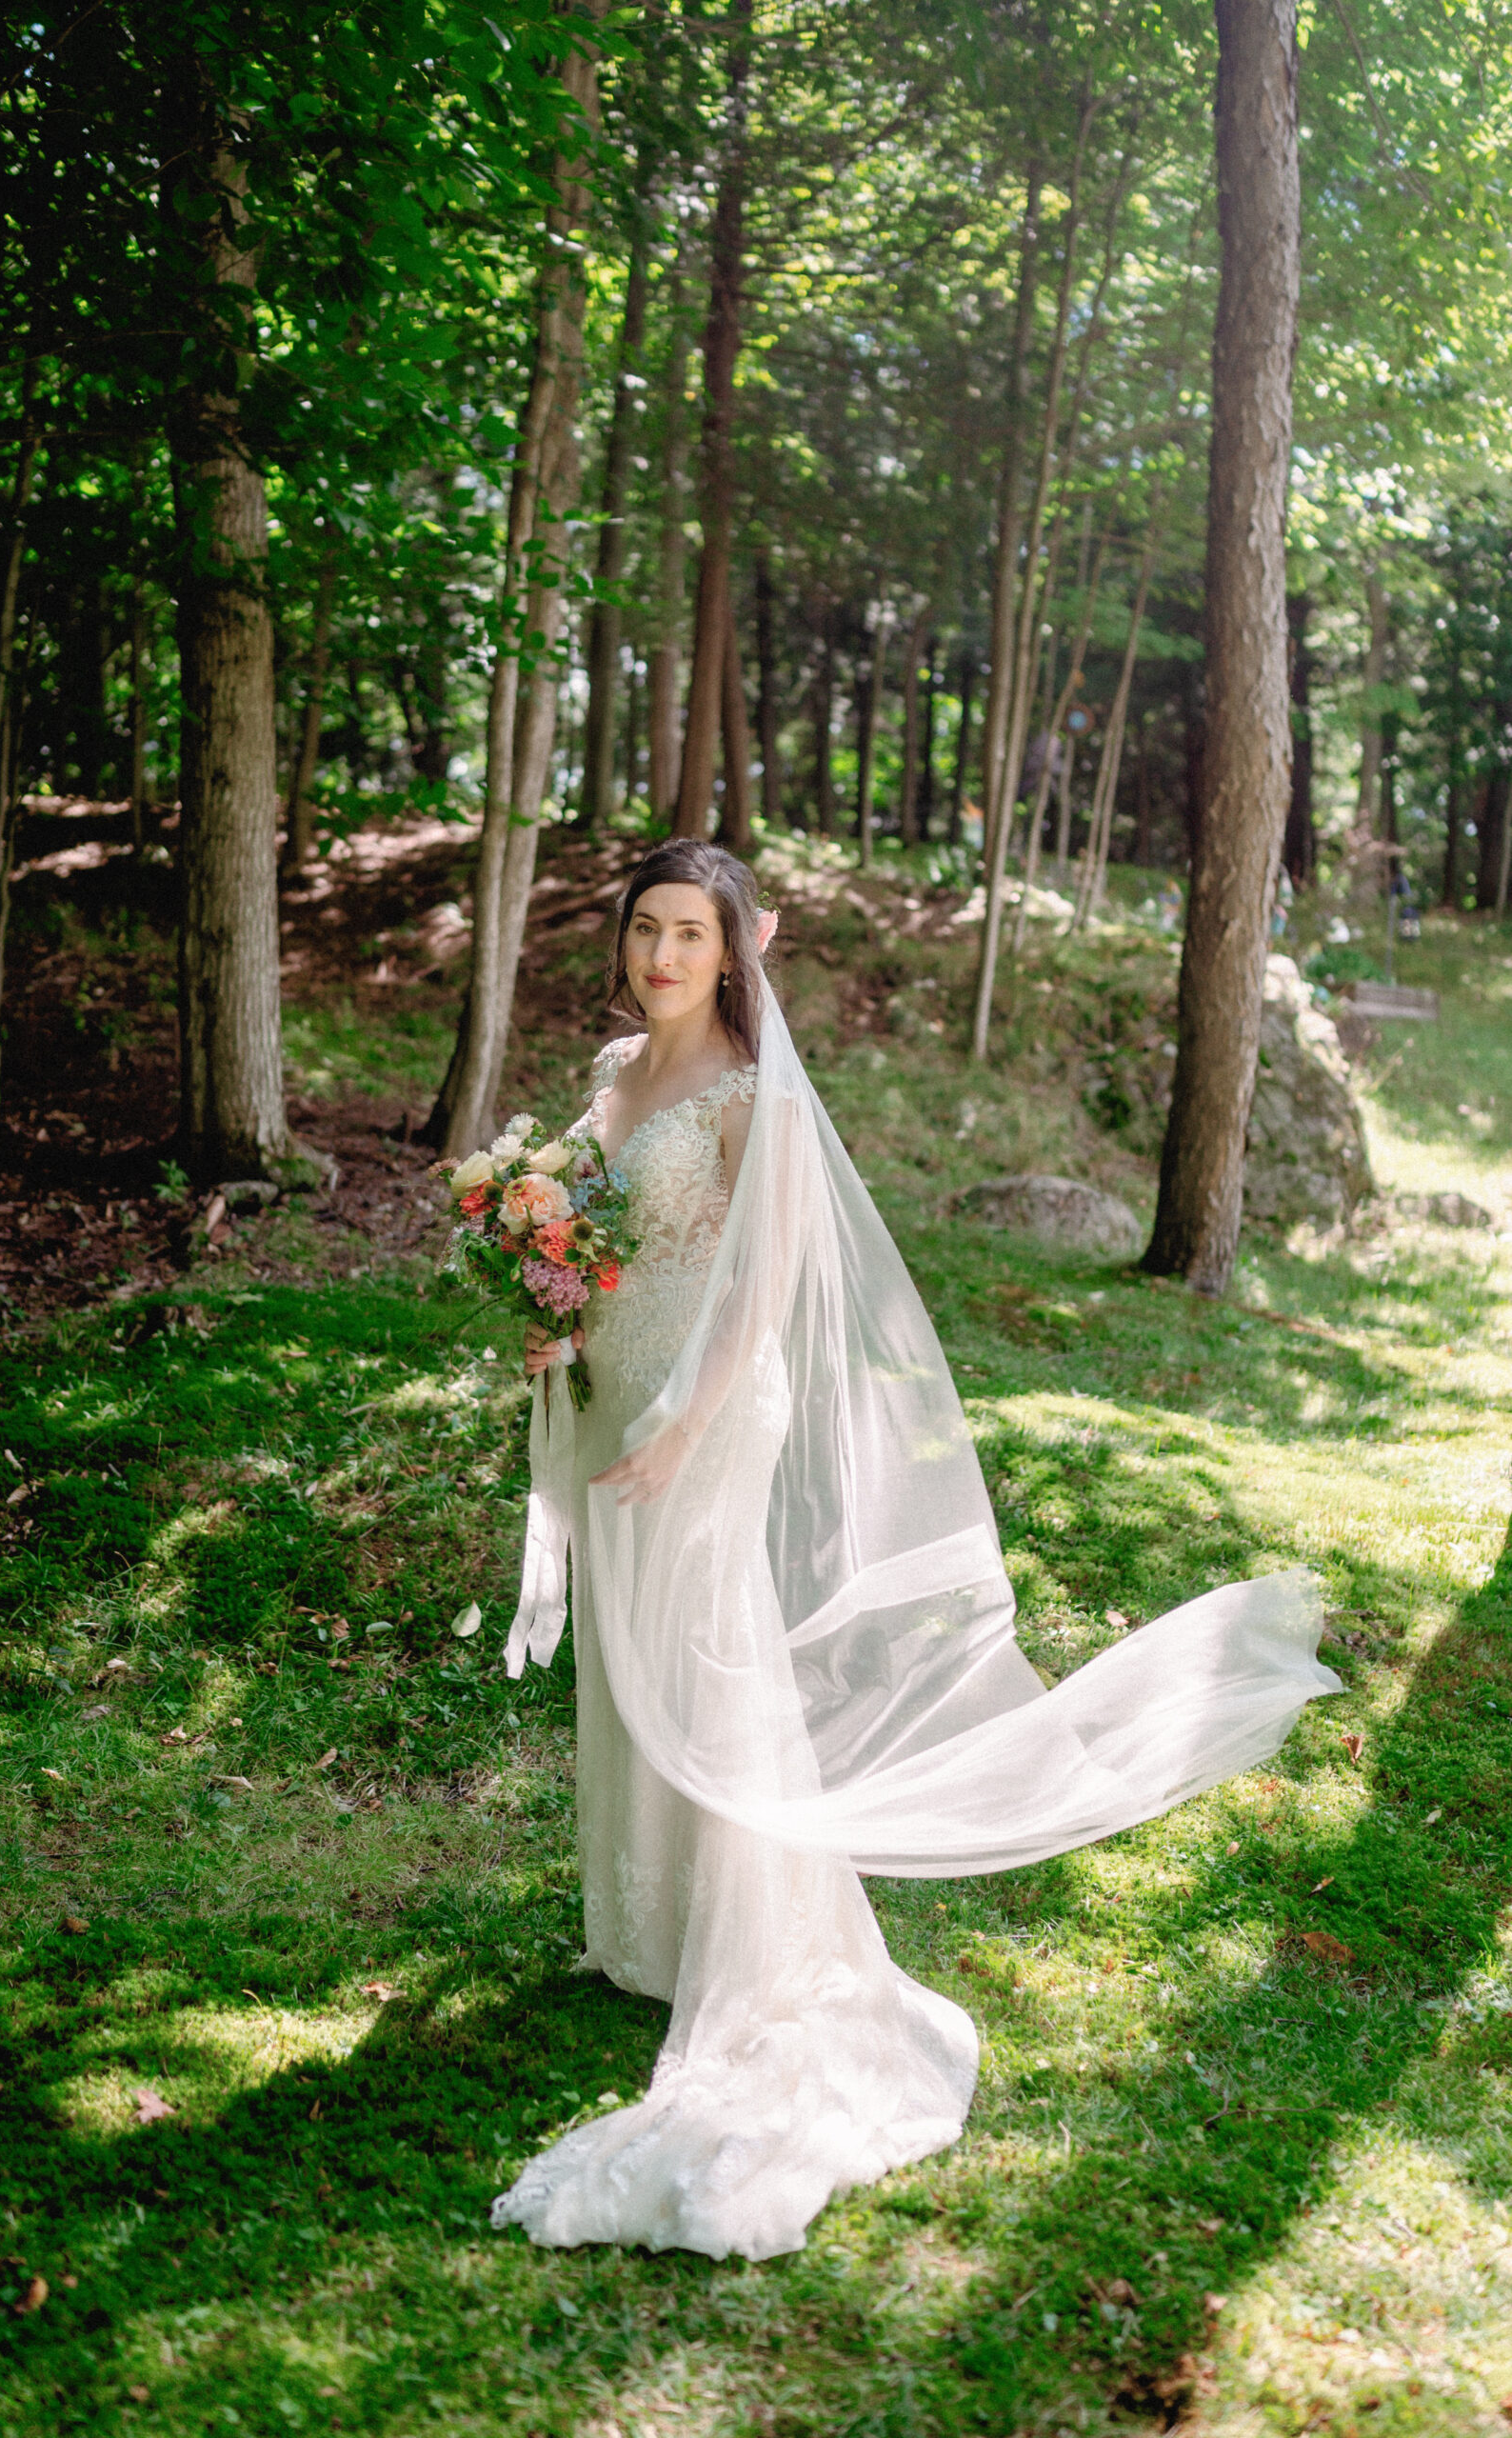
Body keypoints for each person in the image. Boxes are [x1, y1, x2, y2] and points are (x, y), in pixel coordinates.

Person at [490, 838, 1338, 2263]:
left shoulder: (751, 1096)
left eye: (690, 934)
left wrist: (691, 1423)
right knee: (630, 1649)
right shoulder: (612, 1072)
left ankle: (753, 1938)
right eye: (645, 930)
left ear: (736, 949)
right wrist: (555, 1310)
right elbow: (598, 1238)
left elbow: (763, 1279)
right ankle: (648, 1928)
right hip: (611, 1389)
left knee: (710, 1648)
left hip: (705, 1407)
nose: (662, 957)